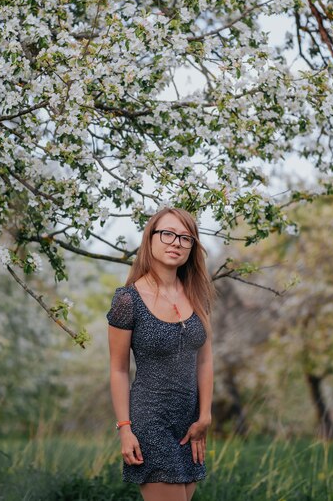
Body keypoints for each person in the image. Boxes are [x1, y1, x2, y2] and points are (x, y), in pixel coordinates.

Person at [106, 207, 215, 501]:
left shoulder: (198, 295)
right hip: (149, 423)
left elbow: (204, 361)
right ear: (150, 239)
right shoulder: (127, 300)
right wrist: (125, 430)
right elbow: (118, 370)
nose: (175, 242)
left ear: (192, 247)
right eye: (167, 233)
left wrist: (204, 417)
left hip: (190, 426)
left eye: (185, 237)